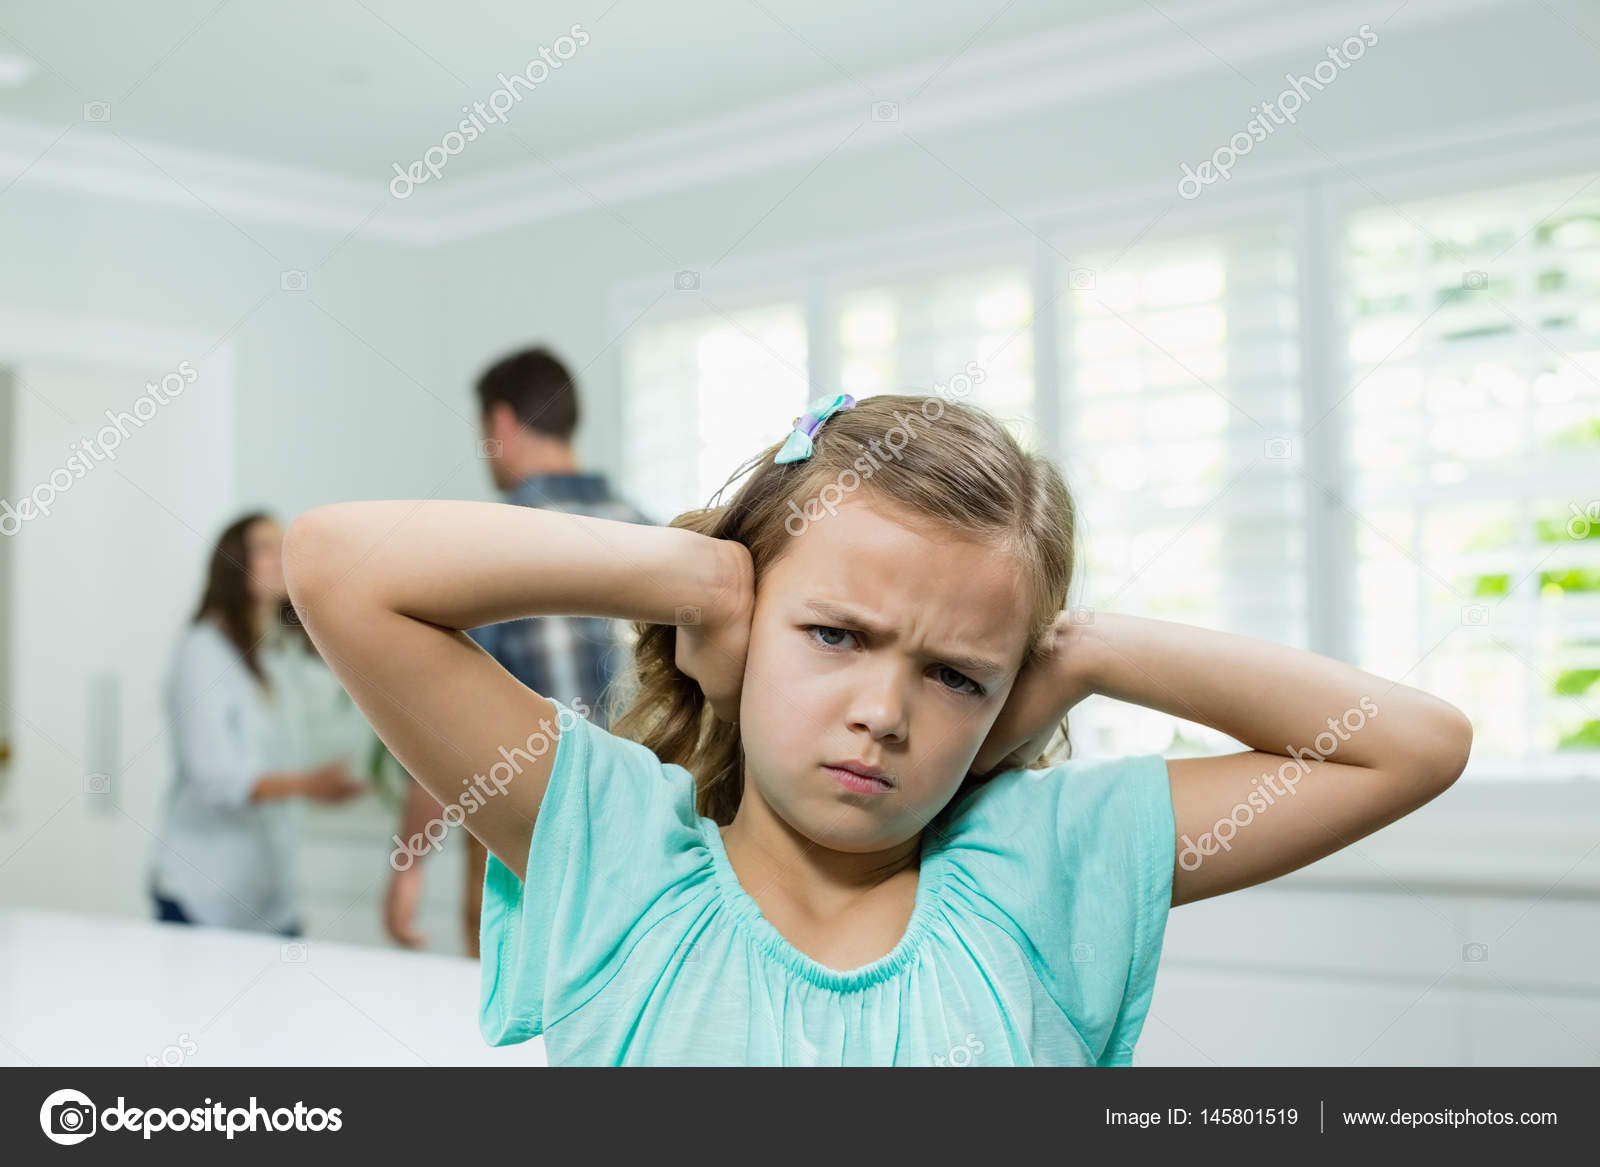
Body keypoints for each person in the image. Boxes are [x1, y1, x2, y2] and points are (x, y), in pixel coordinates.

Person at [283, 393, 1473, 1065]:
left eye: (956, 674)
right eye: (836, 634)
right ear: (748, 623)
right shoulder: (615, 850)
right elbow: (339, 568)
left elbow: (1406, 743)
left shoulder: (1044, 866)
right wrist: (697, 575)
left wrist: (1087, 650)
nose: (884, 713)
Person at [382, 347, 651, 956]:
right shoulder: (650, 533)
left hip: (525, 874)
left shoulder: (487, 545)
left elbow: (442, 728)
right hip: (646, 873)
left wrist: (409, 866)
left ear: (501, 425)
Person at [149, 512, 367, 936]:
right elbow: (216, 779)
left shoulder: (274, 654)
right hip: (202, 896)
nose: (282, 556)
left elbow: (339, 694)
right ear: (234, 563)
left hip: (269, 899)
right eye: (267, 547)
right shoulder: (202, 652)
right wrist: (309, 785)